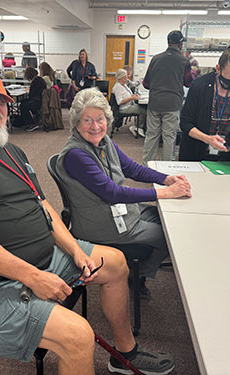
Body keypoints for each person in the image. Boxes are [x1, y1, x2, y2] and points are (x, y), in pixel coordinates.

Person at [0, 71, 175, 375]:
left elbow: (44, 207)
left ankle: (125, 354)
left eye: (0, 100)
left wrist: (75, 249)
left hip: (44, 260)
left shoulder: (11, 151)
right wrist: (33, 276)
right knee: (78, 336)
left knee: (115, 262)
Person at [56, 87, 191, 296]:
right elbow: (113, 193)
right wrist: (166, 193)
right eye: (87, 120)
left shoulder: (104, 141)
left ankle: (135, 272)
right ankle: (135, 275)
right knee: (171, 234)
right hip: (100, 223)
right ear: (76, 123)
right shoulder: (76, 155)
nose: (95, 126)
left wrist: (165, 179)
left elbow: (130, 168)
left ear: (107, 119)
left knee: (164, 219)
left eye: (100, 119)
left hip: (118, 211)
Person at [179, 44, 230, 162]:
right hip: (195, 153)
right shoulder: (200, 86)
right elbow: (185, 123)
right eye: (229, 78)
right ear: (218, 69)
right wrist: (208, 139)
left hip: (227, 156)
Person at [142, 30, 188, 164]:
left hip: (155, 103)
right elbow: (189, 82)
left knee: (151, 136)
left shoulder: (155, 59)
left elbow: (146, 83)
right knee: (169, 137)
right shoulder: (184, 61)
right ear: (180, 44)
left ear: (168, 42)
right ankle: (166, 168)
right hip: (172, 104)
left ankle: (146, 167)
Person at [112, 69, 147, 138]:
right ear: (120, 78)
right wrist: (131, 98)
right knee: (143, 111)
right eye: (125, 77)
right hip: (124, 108)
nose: (127, 79)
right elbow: (119, 102)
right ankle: (139, 128)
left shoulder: (123, 85)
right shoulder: (117, 87)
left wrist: (133, 96)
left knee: (143, 108)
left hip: (129, 105)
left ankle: (136, 126)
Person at [13, 67, 46, 131]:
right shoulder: (39, 79)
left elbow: (31, 95)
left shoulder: (35, 81)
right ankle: (27, 121)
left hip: (37, 101)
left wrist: (28, 91)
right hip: (40, 100)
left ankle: (30, 123)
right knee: (23, 102)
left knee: (23, 105)